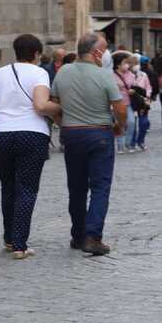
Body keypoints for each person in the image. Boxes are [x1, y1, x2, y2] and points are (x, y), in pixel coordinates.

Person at [0, 34, 61, 259]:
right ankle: (19, 245)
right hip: (31, 134)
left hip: (1, 135)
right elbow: (40, 105)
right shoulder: (39, 72)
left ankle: (8, 238)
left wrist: (6, 112)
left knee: (8, 187)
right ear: (36, 53)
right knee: (26, 189)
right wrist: (59, 107)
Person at [51, 32, 125, 255]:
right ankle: (93, 236)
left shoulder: (63, 72)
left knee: (76, 186)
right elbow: (120, 107)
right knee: (100, 186)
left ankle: (78, 235)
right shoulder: (103, 75)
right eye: (104, 50)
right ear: (96, 52)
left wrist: (63, 122)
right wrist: (120, 126)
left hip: (72, 134)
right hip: (99, 133)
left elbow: (54, 104)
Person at [111, 52, 138, 154]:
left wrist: (133, 90)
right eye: (124, 62)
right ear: (118, 64)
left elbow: (135, 86)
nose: (127, 65)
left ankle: (128, 142)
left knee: (131, 122)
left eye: (127, 63)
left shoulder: (131, 74)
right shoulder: (111, 75)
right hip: (117, 104)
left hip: (129, 103)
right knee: (119, 124)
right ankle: (120, 146)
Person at [131, 58, 152, 151]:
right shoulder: (126, 76)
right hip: (132, 103)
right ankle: (132, 142)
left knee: (144, 123)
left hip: (143, 102)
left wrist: (147, 95)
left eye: (136, 63)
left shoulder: (143, 75)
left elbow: (148, 87)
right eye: (133, 64)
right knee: (132, 124)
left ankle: (141, 141)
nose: (135, 65)